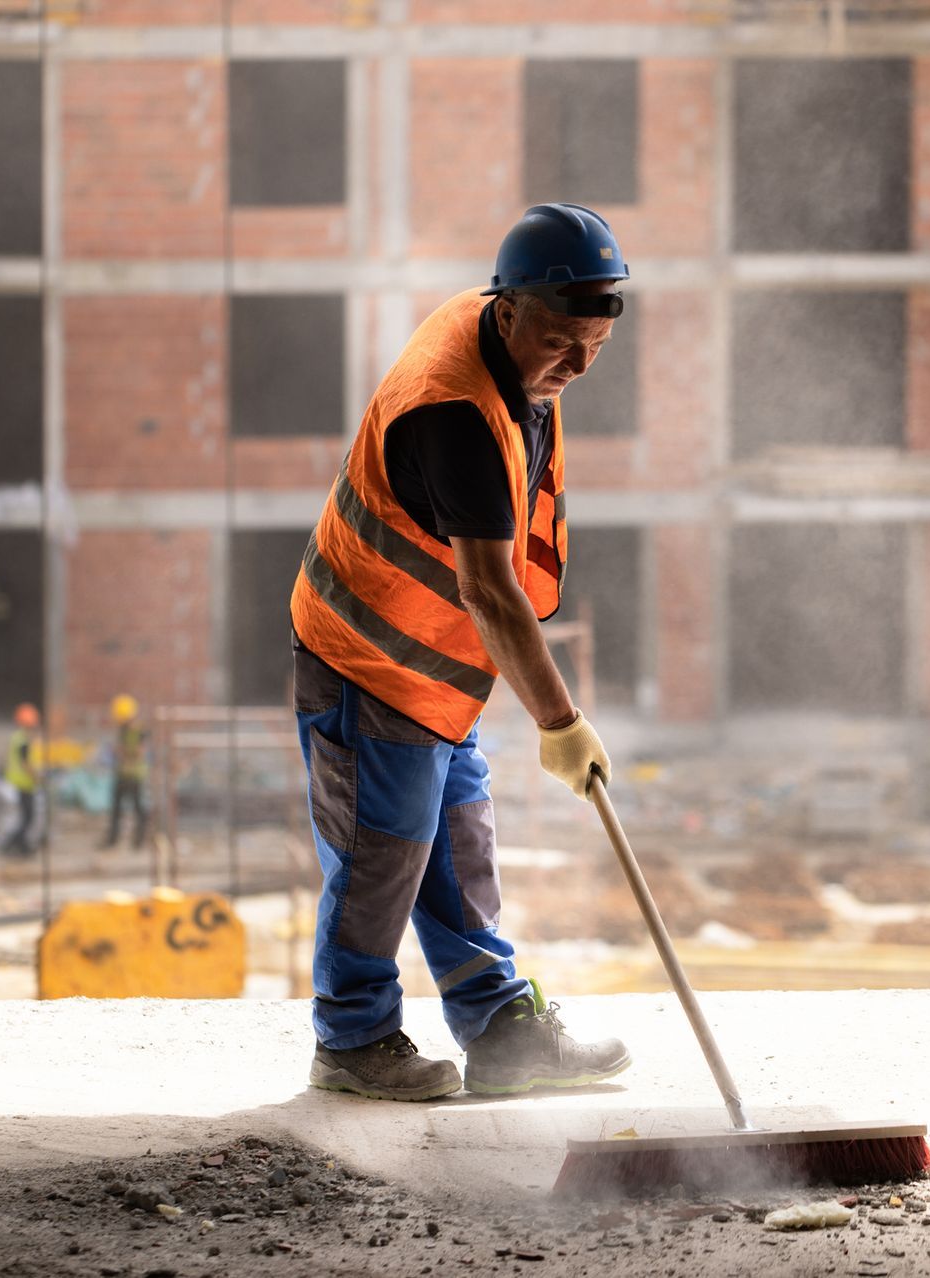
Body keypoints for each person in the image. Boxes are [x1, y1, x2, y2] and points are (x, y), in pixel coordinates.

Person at [286, 203, 631, 1101]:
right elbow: (487, 588)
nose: (576, 365)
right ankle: (352, 1042)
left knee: (457, 848)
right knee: (383, 855)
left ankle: (501, 1033)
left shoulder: (512, 349)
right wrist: (560, 722)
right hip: (369, 660)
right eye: (561, 342)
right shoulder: (455, 416)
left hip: (439, 670)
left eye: (593, 346)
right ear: (508, 309)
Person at [101, 693, 150, 850]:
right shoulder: (122, 730)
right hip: (122, 773)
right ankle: (112, 839)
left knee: (138, 808)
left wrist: (122, 752)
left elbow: (140, 752)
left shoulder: (140, 731)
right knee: (116, 808)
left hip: (134, 775)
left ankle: (139, 840)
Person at [2, 702, 42, 856]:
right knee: (28, 817)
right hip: (24, 784)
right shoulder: (23, 740)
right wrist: (38, 777)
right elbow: (26, 764)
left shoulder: (18, 737)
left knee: (25, 818)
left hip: (19, 783)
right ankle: (16, 845)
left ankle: (19, 845)